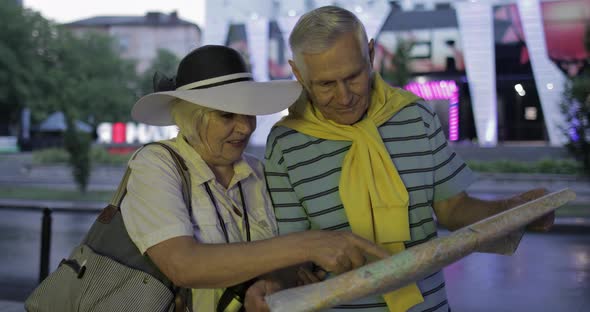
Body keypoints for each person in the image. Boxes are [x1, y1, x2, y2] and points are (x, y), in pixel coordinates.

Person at [253, 6, 554, 312]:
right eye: (326, 84)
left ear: (370, 55)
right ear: (298, 74)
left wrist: (513, 210)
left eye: (353, 77)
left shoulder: (416, 116)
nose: (344, 97)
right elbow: (291, 246)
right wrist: (286, 278)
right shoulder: (286, 143)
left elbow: (453, 209)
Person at [126, 45, 391, 311]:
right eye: (227, 115)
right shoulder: (156, 164)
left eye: (248, 113)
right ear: (190, 117)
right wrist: (309, 245)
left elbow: (283, 267)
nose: (245, 127)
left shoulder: (261, 173)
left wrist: (278, 281)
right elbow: (182, 265)